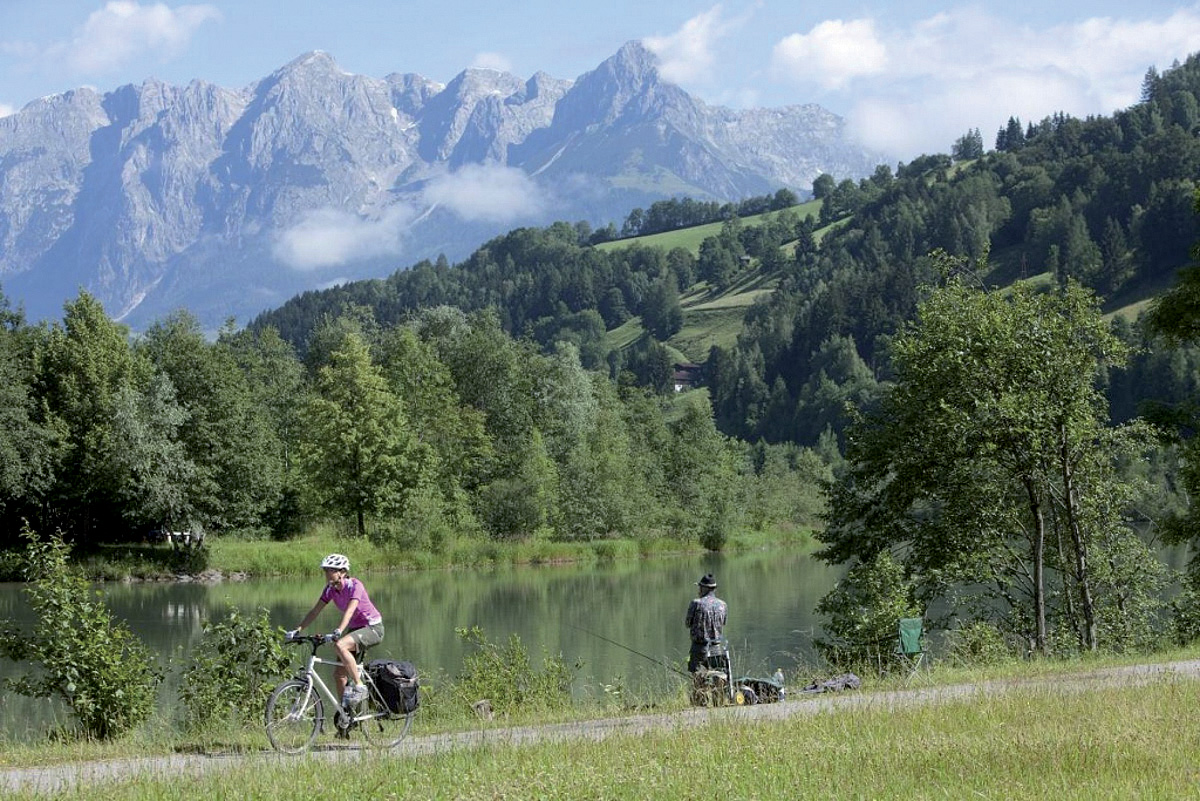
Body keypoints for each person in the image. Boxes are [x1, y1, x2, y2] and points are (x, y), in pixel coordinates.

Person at [287, 554, 385, 707]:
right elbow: (315, 611)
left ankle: (360, 687)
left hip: (372, 628)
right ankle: (345, 713)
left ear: (342, 572)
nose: (327, 574)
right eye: (325, 570)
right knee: (339, 675)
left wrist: (339, 630)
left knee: (340, 645)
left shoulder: (355, 586)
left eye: (331, 570)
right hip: (355, 629)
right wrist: (298, 630)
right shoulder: (330, 590)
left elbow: (350, 611)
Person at [685, 573, 727, 673]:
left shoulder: (696, 603)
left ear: (704, 588)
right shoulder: (723, 605)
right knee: (717, 677)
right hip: (716, 648)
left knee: (698, 678)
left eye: (700, 587)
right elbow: (723, 623)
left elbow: (687, 624)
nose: (698, 590)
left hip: (699, 648)